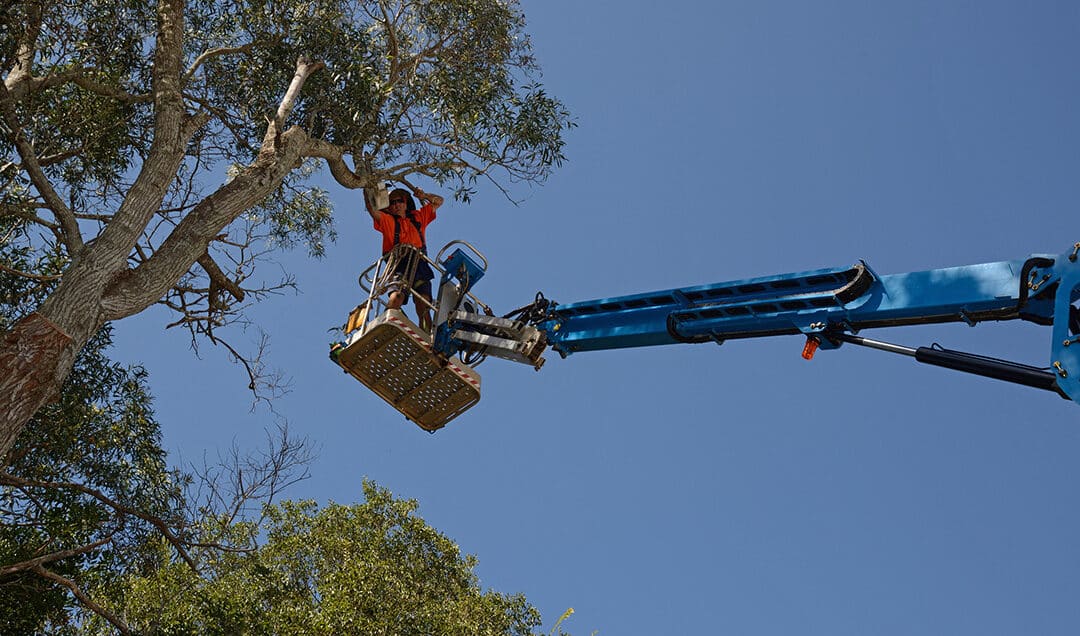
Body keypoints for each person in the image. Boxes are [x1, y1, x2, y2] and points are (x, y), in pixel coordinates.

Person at [365, 185, 444, 331]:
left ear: (406, 203)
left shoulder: (418, 217)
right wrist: (368, 185)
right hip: (398, 264)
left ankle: (427, 338)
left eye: (399, 201)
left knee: (423, 303)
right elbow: (372, 209)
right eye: (392, 202)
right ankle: (384, 328)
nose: (396, 205)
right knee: (396, 296)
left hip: (419, 263)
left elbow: (439, 201)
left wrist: (424, 195)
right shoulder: (388, 221)